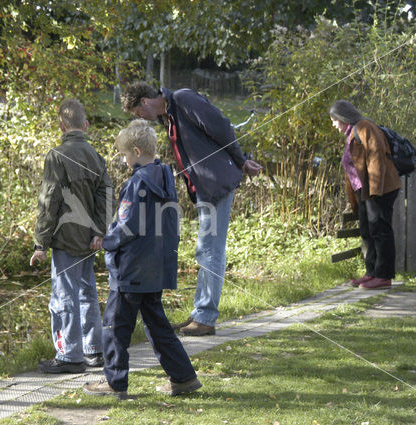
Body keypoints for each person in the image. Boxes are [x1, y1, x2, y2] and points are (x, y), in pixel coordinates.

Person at [120, 82, 263, 336]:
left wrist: (241, 162)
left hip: (216, 183)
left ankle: (206, 317)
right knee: (206, 248)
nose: (139, 118)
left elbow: (223, 127)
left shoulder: (184, 100)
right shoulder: (169, 115)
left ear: (144, 101)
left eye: (137, 112)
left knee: (209, 249)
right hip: (204, 188)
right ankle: (201, 313)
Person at [82, 120, 201, 399]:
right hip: (155, 268)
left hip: (131, 271)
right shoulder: (165, 177)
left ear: (136, 151)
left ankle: (114, 382)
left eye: (124, 155)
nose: (124, 160)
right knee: (158, 326)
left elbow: (127, 225)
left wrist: (105, 241)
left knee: (114, 326)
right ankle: (183, 378)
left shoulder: (137, 184)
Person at [30, 98, 114, 373]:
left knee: (64, 296)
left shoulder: (57, 156)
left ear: (61, 125)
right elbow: (106, 196)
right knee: (87, 293)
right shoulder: (96, 157)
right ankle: (93, 350)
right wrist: (100, 232)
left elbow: (49, 201)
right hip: (89, 239)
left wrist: (40, 242)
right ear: (86, 125)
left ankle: (69, 355)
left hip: (66, 239)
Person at [330, 100, 401, 290]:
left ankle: (384, 276)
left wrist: (376, 191)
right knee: (367, 231)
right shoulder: (352, 132)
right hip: (364, 191)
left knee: (381, 230)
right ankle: (371, 273)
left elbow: (376, 156)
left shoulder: (365, 127)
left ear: (342, 117)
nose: (333, 124)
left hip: (380, 188)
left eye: (334, 120)